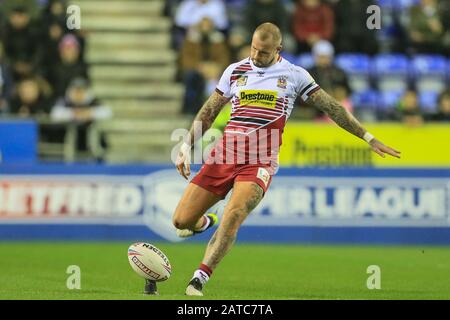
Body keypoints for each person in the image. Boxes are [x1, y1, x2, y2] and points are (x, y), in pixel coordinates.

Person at [145, 23, 401, 296]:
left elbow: (333, 108)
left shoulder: (294, 75)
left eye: (264, 52)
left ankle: (199, 278)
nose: (256, 56)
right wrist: (186, 144)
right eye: (254, 48)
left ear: (278, 50)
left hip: (260, 161)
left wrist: (368, 137)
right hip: (224, 155)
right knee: (181, 222)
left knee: (235, 213)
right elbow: (209, 111)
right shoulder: (235, 71)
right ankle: (205, 222)